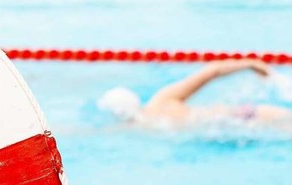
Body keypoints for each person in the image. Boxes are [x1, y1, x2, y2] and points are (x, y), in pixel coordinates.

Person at [98, 59, 292, 129]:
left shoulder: (145, 122)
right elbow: (213, 70)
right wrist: (249, 63)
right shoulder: (162, 100)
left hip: (242, 120)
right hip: (246, 115)